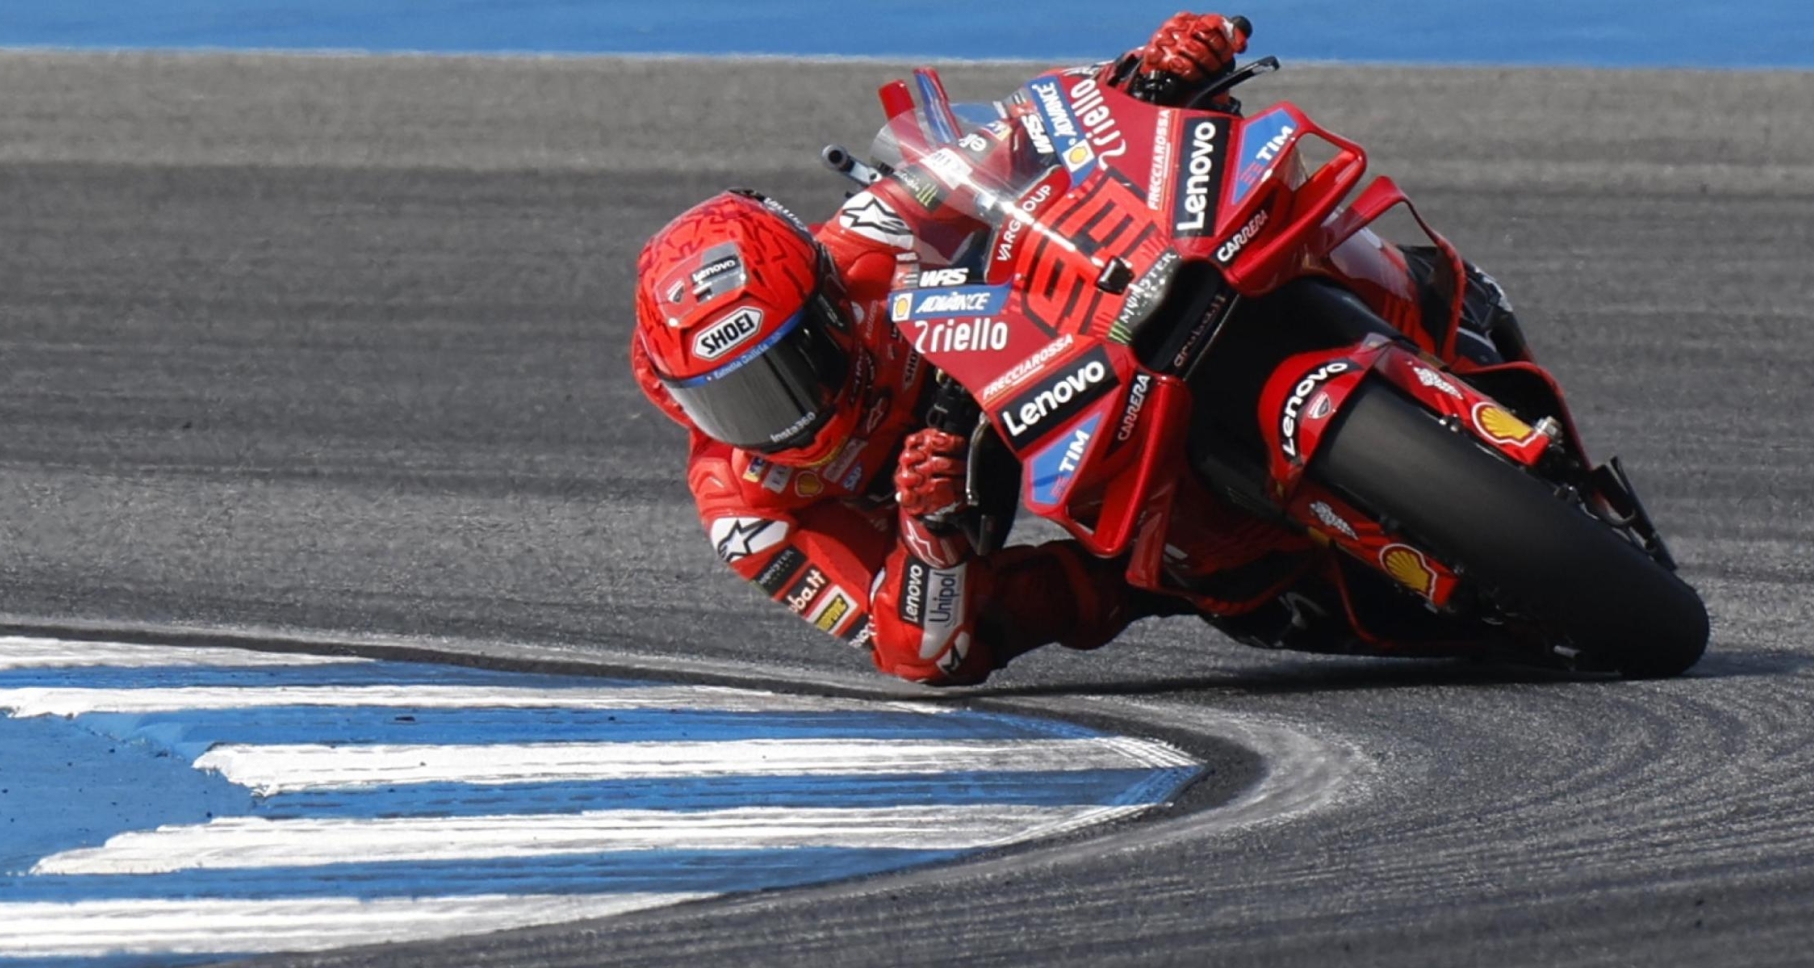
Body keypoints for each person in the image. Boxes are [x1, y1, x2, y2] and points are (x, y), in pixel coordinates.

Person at [630, 13, 1525, 685]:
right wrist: (932, 535)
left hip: (1047, 349)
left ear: (828, 300)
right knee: (1065, 598)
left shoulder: (872, 237)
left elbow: (1034, 133)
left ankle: (1407, 296)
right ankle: (1221, 568)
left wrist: (1148, 76)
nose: (788, 414)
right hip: (953, 501)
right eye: (737, 399)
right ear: (679, 403)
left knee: (1229, 220)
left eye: (791, 367)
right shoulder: (748, 508)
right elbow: (913, 654)